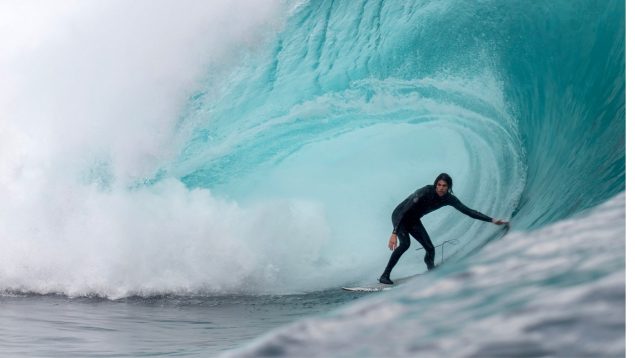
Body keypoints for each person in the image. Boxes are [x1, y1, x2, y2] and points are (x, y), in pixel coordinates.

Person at [379, 173, 508, 284]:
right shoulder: (425, 192)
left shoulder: (448, 199)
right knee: (405, 244)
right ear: (435, 185)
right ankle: (385, 276)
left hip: (413, 220)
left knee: (430, 248)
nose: (441, 188)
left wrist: (492, 220)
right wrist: (394, 232)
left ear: (449, 187)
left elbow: (468, 211)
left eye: (444, 186)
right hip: (400, 215)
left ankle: (431, 272)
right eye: (439, 185)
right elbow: (405, 209)